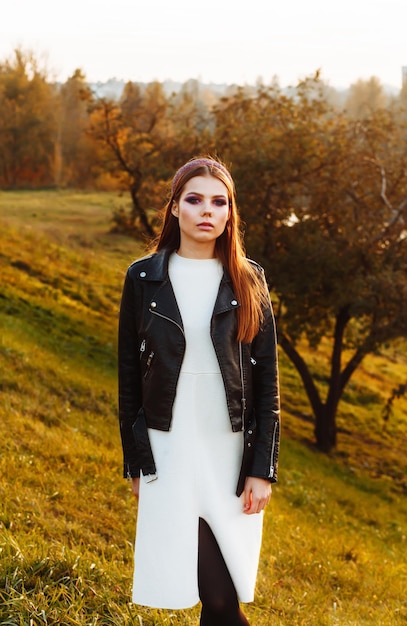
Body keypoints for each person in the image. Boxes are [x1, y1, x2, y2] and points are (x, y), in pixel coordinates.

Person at [118, 156, 280, 625]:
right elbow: (129, 378)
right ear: (174, 209)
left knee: (222, 598)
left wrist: (262, 468)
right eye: (194, 200)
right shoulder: (143, 277)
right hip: (168, 449)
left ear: (230, 213)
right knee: (216, 596)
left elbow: (267, 385)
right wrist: (136, 461)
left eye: (219, 201)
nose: (206, 211)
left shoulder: (249, 280)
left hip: (229, 449)